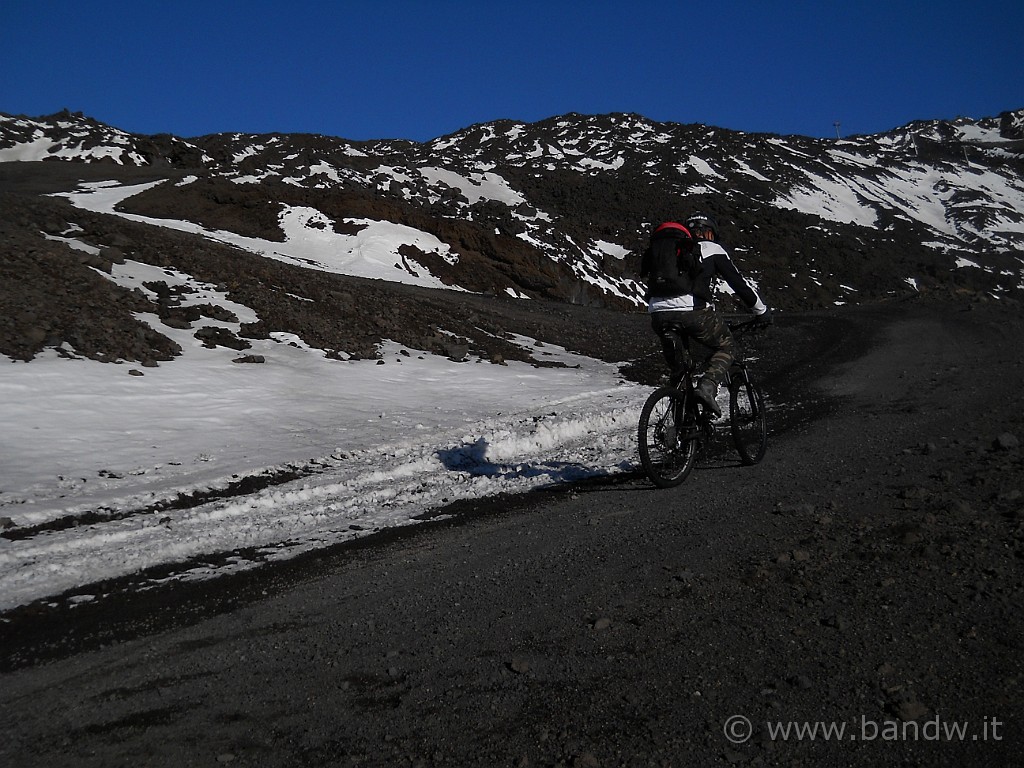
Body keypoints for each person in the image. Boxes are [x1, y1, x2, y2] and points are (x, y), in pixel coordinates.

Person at [640, 212, 771, 417]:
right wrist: (760, 311)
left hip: (657, 313)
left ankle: (680, 430)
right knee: (726, 344)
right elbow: (738, 284)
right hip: (693, 313)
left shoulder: (672, 250)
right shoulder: (711, 248)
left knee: (680, 371)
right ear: (709, 233)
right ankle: (708, 386)